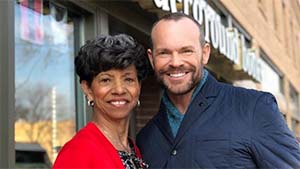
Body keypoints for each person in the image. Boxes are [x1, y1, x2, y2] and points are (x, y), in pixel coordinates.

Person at [136, 12, 300, 168]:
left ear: (205, 53)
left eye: (186, 51)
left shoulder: (253, 108)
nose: (175, 62)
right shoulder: (145, 139)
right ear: (152, 58)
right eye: (164, 53)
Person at [53, 34, 149, 168]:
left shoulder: (133, 150)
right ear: (88, 89)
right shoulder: (77, 153)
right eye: (106, 80)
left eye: (128, 79)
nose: (119, 90)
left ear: (139, 86)